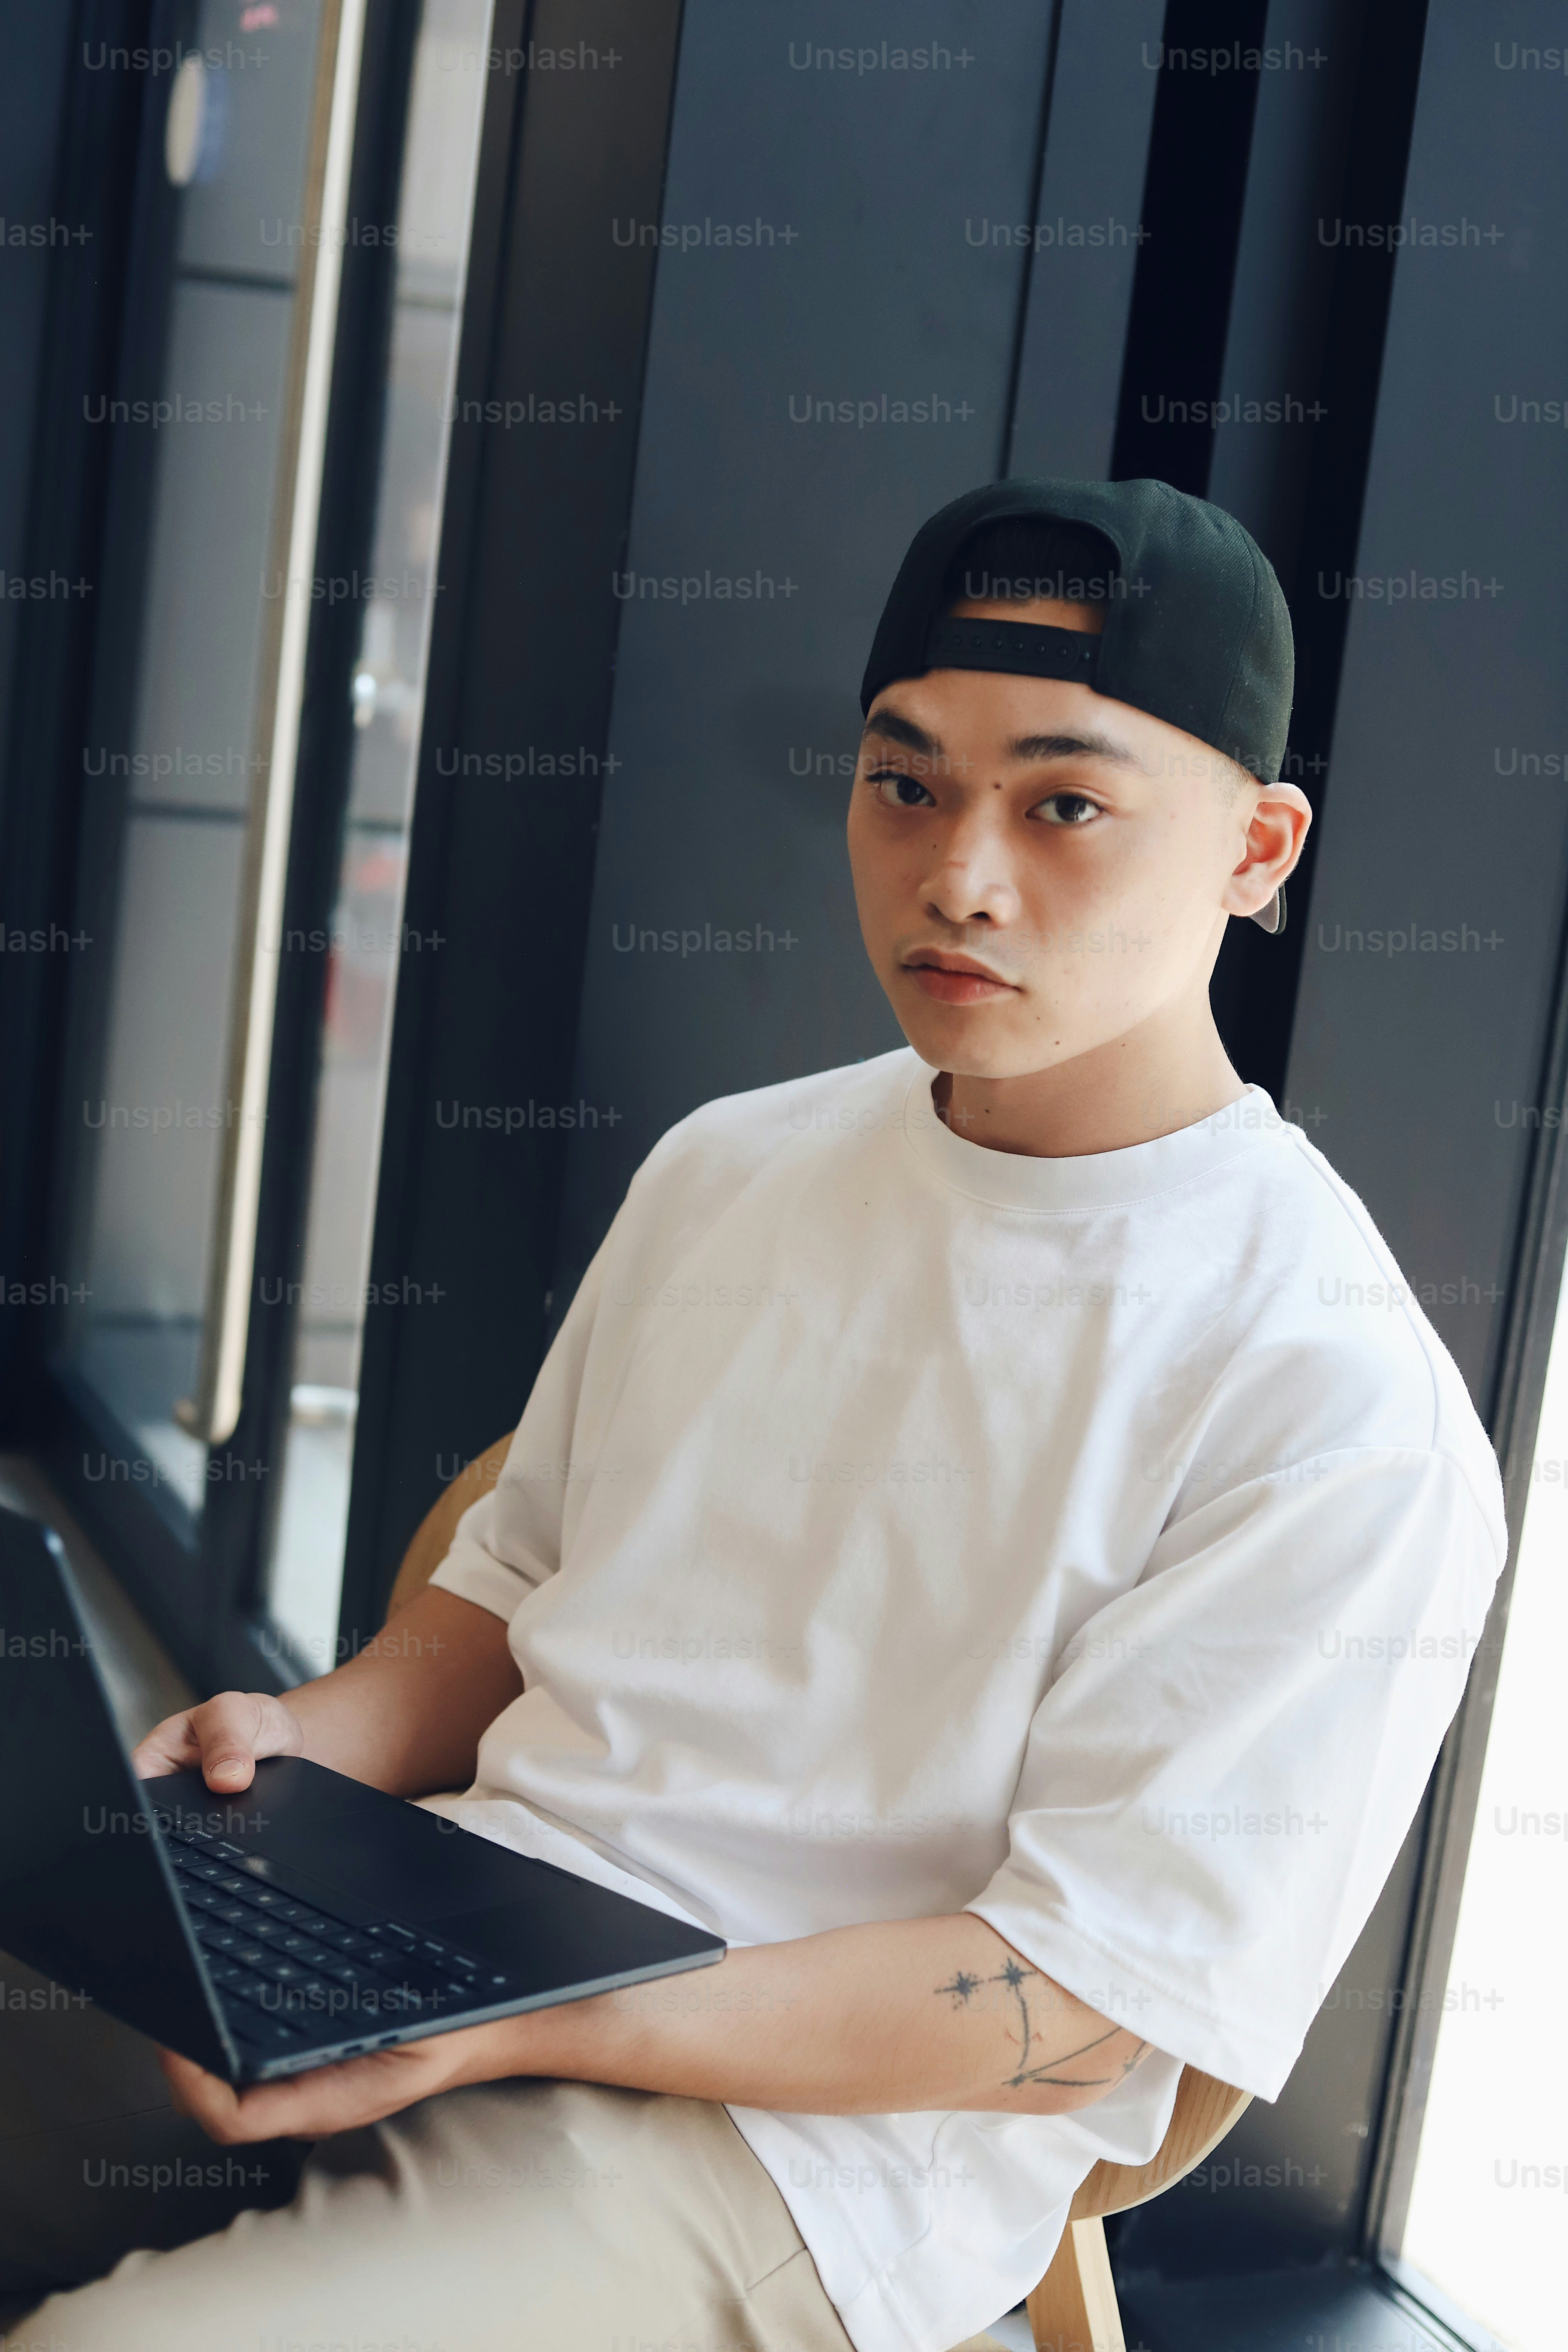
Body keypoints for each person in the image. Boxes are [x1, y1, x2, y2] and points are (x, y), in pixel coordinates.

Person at [5, 479, 1504, 2352]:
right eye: (905, 783)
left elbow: (1078, 2009)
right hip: (453, 1949)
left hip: (803, 2153)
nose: (960, 873)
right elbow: (505, 1586)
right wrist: (300, 1743)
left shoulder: (1331, 1400)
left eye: (1064, 804)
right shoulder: (738, 1164)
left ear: (1257, 851)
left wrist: (514, 2019)